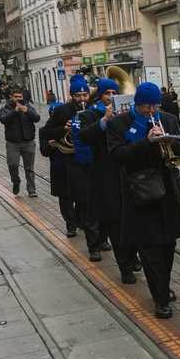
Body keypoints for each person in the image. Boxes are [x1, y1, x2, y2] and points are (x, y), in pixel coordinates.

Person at [106, 82, 180, 317]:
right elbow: (117, 155)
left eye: (155, 106)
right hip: (140, 193)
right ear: (137, 104)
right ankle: (160, 299)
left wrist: (172, 143)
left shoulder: (168, 119)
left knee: (169, 245)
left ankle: (163, 285)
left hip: (167, 192)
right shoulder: (119, 123)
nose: (151, 111)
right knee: (150, 249)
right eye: (146, 107)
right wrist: (146, 142)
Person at [81, 78, 137, 283]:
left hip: (129, 174)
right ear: (100, 95)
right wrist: (105, 120)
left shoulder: (128, 114)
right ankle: (125, 267)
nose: (111, 97)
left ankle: (133, 256)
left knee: (133, 221)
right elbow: (84, 136)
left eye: (114, 93)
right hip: (106, 176)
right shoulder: (89, 114)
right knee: (115, 223)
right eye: (107, 93)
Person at [45, 76, 89, 238]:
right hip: (65, 159)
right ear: (72, 96)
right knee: (66, 195)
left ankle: (80, 219)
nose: (82, 99)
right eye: (78, 95)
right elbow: (45, 132)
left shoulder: (92, 109)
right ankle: (70, 224)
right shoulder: (61, 111)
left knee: (84, 194)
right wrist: (63, 129)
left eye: (85, 95)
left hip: (83, 158)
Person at [0, 87, 41, 197]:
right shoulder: (6, 108)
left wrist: (27, 111)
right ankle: (16, 181)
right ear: (11, 97)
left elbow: (37, 118)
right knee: (13, 165)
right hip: (13, 143)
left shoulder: (28, 106)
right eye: (16, 97)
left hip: (28, 142)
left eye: (20, 96)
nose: (18, 99)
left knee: (29, 168)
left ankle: (31, 190)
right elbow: (3, 119)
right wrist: (15, 112)